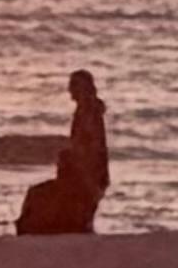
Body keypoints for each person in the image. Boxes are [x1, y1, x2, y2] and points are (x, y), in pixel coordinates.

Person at [14, 69, 112, 238]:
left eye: (74, 86)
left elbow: (91, 149)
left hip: (87, 176)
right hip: (87, 175)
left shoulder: (88, 112)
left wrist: (74, 162)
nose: (70, 90)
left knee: (39, 194)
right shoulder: (88, 111)